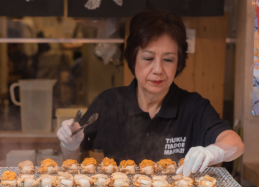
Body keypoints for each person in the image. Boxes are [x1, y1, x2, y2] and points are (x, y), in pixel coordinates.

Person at [57, 10, 244, 176]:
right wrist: (70, 144)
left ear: (179, 63)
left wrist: (214, 151)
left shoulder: (193, 107)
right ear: (133, 58)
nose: (158, 69)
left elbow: (235, 143)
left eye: (168, 60)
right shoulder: (109, 102)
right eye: (148, 58)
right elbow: (73, 160)